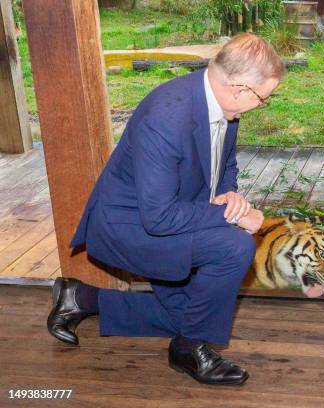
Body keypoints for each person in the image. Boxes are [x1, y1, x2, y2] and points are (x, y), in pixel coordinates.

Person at [47, 33, 284, 386]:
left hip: (170, 214)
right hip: (129, 227)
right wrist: (233, 215)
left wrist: (229, 194)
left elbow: (225, 162)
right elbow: (158, 218)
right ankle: (188, 350)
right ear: (240, 88)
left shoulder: (220, 104)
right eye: (264, 98)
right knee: (234, 247)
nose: (262, 104)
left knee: (194, 314)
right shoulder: (167, 119)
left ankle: (80, 296)